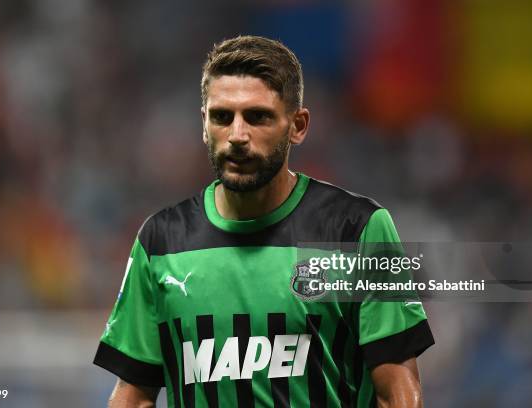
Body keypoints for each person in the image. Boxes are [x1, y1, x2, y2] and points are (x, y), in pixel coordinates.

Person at [94, 35, 434, 408]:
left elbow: (397, 393)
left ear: (298, 126)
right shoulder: (160, 242)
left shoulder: (357, 230)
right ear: (204, 125)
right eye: (222, 117)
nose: (238, 135)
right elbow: (133, 396)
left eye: (257, 117)